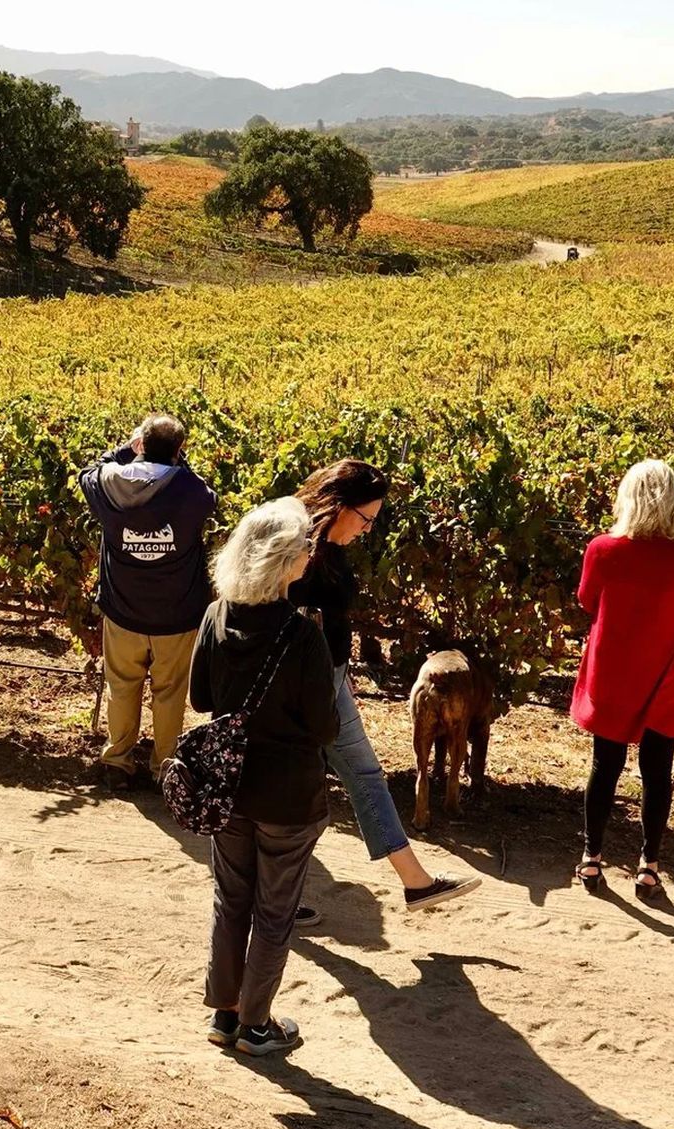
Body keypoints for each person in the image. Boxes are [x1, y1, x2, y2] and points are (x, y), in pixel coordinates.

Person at [289, 460, 481, 916]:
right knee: (313, 786)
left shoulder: (329, 546)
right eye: (365, 518)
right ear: (338, 505)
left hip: (327, 679)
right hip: (299, 686)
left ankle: (414, 883)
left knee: (339, 780)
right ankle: (274, 900)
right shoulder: (295, 546)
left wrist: (342, 671)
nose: (368, 529)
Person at [191, 497, 337, 1057]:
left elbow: (201, 697)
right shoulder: (302, 634)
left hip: (226, 788)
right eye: (304, 546)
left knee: (231, 901)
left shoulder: (216, 615)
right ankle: (256, 1026)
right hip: (288, 796)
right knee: (274, 912)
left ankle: (225, 1015)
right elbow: (324, 727)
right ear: (284, 560)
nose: (310, 553)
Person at [570, 460, 674, 898]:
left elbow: (587, 601)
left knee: (604, 766)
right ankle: (649, 867)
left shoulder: (601, 550)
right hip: (664, 682)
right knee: (656, 773)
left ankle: (591, 859)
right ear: (673, 500)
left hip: (613, 677)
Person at [78, 414, 215, 789]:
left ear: (141, 443)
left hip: (123, 610)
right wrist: (179, 461)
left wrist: (126, 449)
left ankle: (117, 763)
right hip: (177, 614)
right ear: (179, 449)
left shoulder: (108, 483)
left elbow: (88, 473)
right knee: (170, 693)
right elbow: (208, 497)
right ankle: (164, 768)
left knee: (122, 687)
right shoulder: (191, 491)